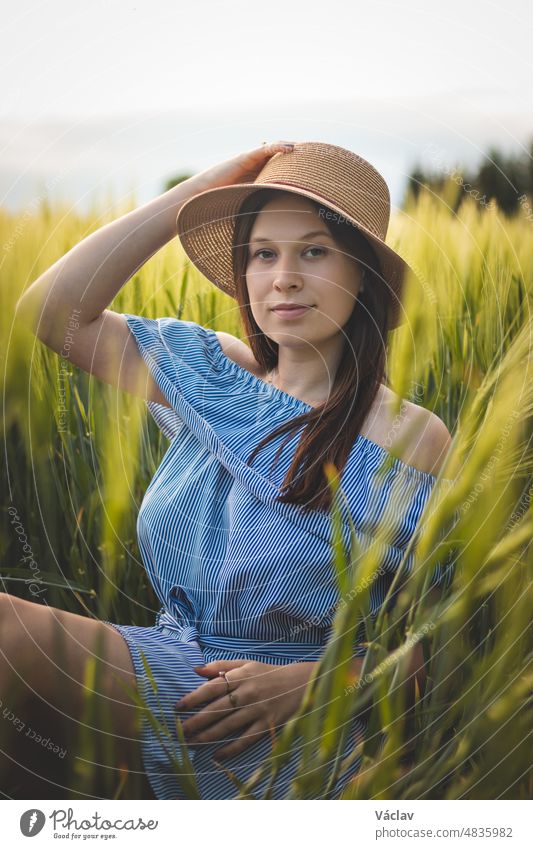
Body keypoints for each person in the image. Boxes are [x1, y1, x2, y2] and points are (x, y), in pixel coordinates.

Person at [8, 141, 454, 800]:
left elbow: (449, 631)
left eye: (313, 251)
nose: (284, 278)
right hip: (166, 664)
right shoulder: (212, 372)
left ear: (363, 273)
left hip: (282, 720)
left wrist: (317, 683)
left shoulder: (408, 434)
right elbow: (49, 315)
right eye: (262, 254)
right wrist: (195, 193)